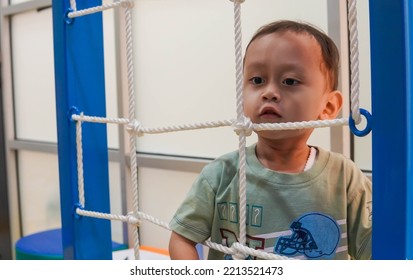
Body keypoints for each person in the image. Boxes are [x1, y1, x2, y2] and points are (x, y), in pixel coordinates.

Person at [168, 20, 372, 260]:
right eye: (257, 80)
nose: (269, 92)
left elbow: (375, 251)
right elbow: (181, 239)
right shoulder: (222, 174)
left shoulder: (344, 177)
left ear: (327, 106)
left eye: (289, 81)